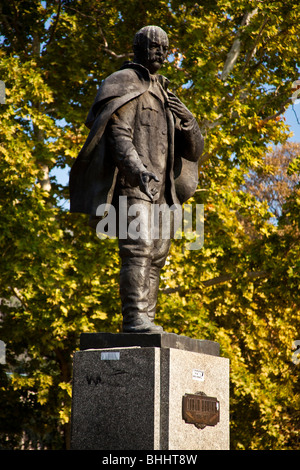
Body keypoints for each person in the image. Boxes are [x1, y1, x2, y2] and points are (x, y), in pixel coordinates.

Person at [69, 26, 204, 333]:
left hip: (164, 191)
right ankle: (134, 318)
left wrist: (189, 121)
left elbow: (194, 151)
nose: (160, 53)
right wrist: (137, 170)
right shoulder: (124, 83)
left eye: (165, 49)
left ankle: (148, 321)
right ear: (137, 48)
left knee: (157, 254)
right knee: (137, 247)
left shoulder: (168, 95)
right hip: (134, 184)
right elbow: (119, 134)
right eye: (154, 47)